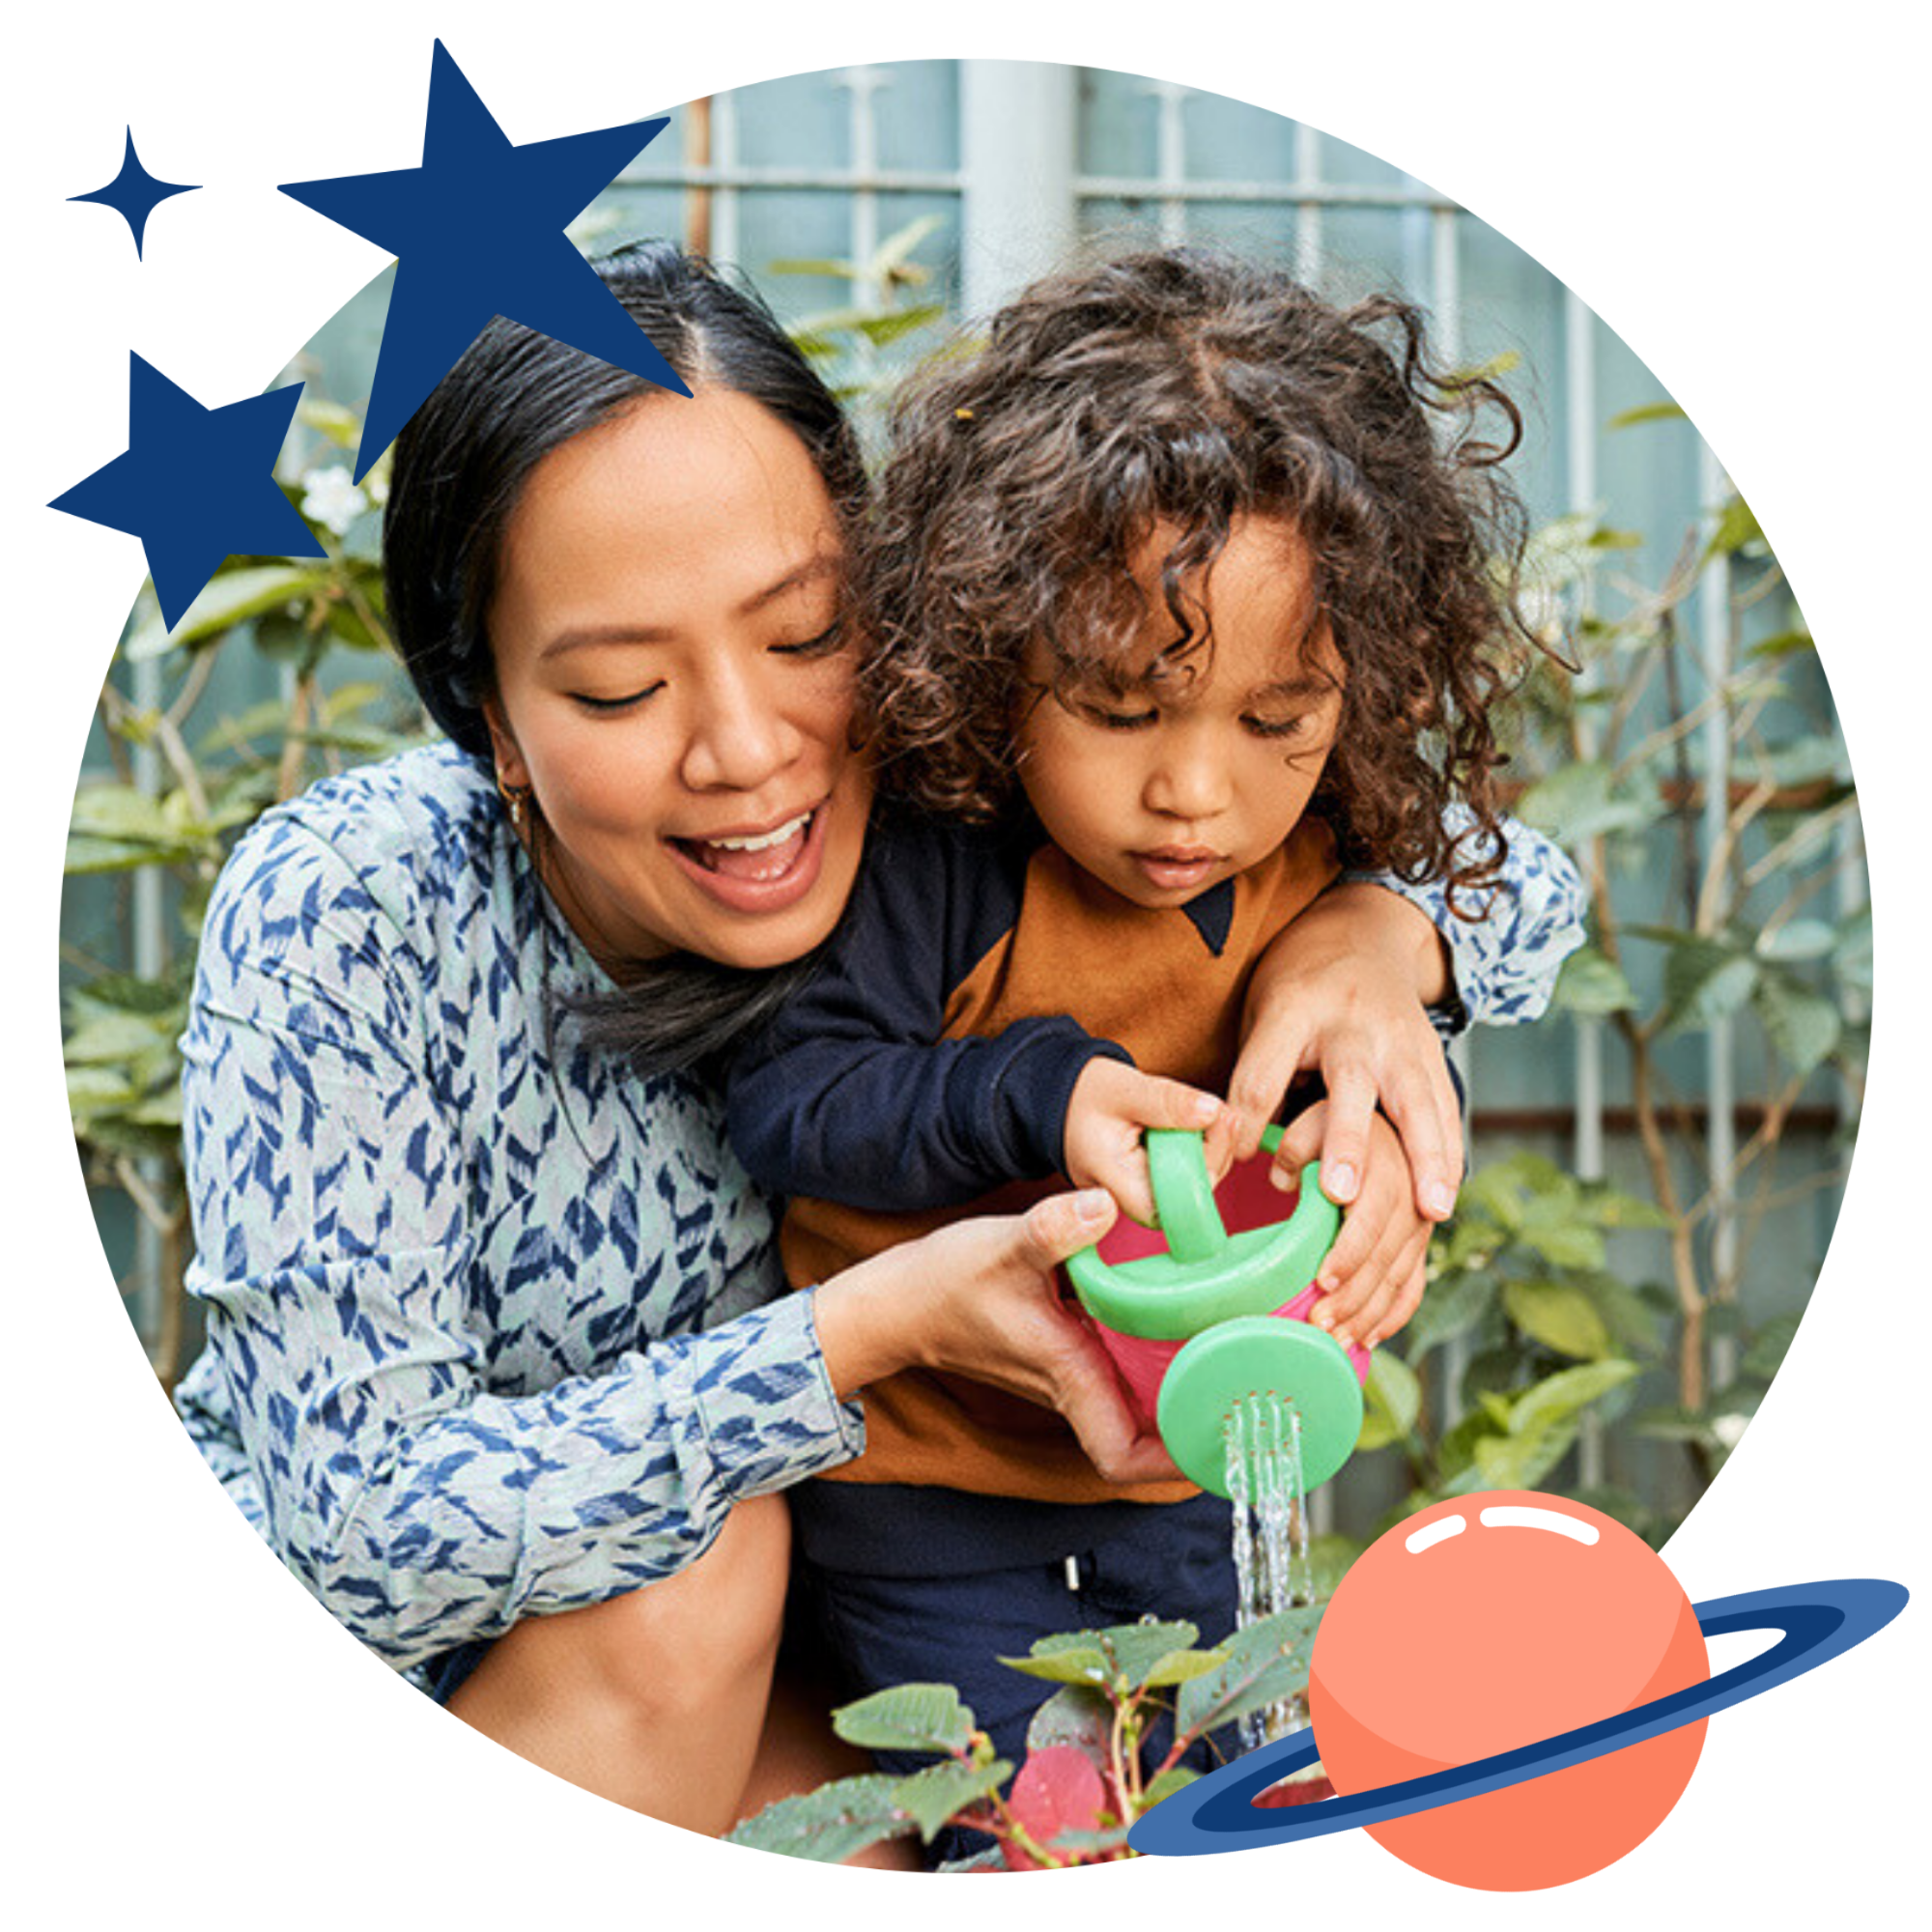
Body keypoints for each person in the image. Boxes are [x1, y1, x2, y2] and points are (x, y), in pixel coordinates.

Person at [171, 240, 1571, 1853]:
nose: (747, 751)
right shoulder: (360, 909)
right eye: (620, 688)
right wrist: (857, 1336)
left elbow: (1491, 866)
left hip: (841, 1664)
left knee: (1056, 1813)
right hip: (520, 1666)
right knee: (706, 1581)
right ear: (487, 711)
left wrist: (1382, 946)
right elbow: (359, 1543)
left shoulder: (973, 757)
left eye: (804, 633)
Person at [724, 248, 1588, 1851]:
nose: (1197, 792)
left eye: (1277, 718)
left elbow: (1481, 952)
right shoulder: (942, 859)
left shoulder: (1332, 858)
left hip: (1200, 1475)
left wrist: (1379, 1173)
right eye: (1124, 710)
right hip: (936, 1496)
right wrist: (1037, 1092)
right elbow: (793, 1099)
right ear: (998, 647)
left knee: (1212, 1809)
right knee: (1039, 1832)